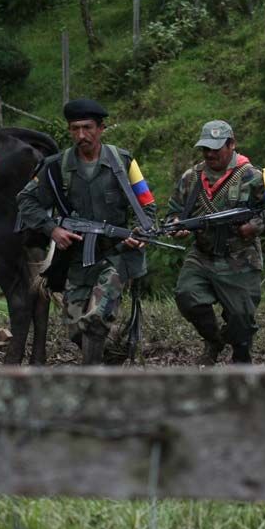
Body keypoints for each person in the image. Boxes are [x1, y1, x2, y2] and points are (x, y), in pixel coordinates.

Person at [16, 98, 158, 365]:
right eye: (75, 128)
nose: (81, 135)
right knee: (75, 329)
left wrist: (139, 235)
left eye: (88, 127)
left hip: (116, 255)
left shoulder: (123, 162)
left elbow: (147, 206)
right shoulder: (56, 167)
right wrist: (52, 229)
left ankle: (91, 379)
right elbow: (25, 200)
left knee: (96, 321)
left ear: (101, 128)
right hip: (78, 259)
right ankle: (110, 355)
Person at [167, 120, 265, 365]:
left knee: (242, 319)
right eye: (206, 148)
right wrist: (177, 224)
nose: (210, 154)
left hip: (240, 256)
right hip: (203, 254)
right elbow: (174, 211)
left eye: (216, 148)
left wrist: (256, 225)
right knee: (187, 296)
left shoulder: (253, 175)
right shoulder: (191, 177)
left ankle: (239, 353)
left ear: (232, 145)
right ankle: (213, 339)